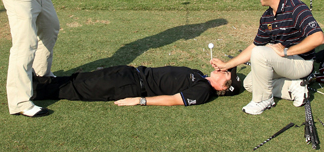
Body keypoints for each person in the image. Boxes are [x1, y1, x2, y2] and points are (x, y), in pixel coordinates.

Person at [210, 0, 324, 115]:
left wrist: (286, 51)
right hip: (283, 63)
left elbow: (318, 38)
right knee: (250, 83)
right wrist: (226, 65)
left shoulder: (296, 8)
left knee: (260, 54)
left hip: (302, 63)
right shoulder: (267, 16)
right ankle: (293, 88)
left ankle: (263, 100)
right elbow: (255, 45)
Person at [31, 65, 242, 107]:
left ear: (223, 89)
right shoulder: (199, 76)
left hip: (130, 86)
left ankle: (33, 91)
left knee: (79, 87)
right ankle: (37, 82)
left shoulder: (203, 91)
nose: (224, 71)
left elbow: (173, 100)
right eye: (225, 69)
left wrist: (140, 100)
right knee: (80, 78)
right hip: (130, 72)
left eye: (226, 76)